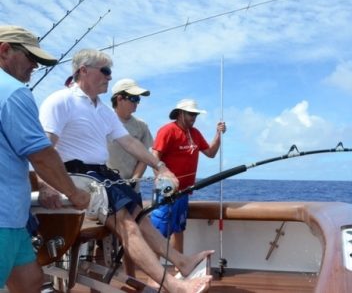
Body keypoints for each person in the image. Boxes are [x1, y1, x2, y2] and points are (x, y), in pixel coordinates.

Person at [39, 48, 212, 293]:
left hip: (101, 174)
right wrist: (45, 186)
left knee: (141, 217)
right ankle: (173, 285)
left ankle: (182, 262)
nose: (110, 77)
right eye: (105, 71)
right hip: (75, 176)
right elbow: (44, 148)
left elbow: (130, 142)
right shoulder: (60, 101)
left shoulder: (102, 110)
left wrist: (160, 167)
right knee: (127, 225)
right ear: (83, 71)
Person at [0, 25, 90, 293]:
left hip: (13, 220)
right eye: (31, 58)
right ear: (4, 50)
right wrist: (75, 194)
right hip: (2, 220)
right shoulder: (13, 92)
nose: (34, 66)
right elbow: (41, 156)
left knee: (30, 283)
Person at [151, 99, 226, 253]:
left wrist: (218, 134)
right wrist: (163, 183)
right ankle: (154, 273)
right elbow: (154, 157)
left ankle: (179, 268)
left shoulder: (195, 133)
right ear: (180, 114)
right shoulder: (167, 131)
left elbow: (211, 153)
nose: (194, 117)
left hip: (184, 192)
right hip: (166, 192)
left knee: (178, 229)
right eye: (191, 114)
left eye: (195, 115)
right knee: (158, 232)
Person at [107, 78, 153, 277]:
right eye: (133, 98)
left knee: (133, 234)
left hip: (132, 189)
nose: (136, 103)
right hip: (106, 190)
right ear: (119, 98)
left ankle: (130, 277)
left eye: (138, 99)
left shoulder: (141, 126)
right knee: (104, 238)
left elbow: (143, 156)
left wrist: (135, 177)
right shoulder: (103, 120)